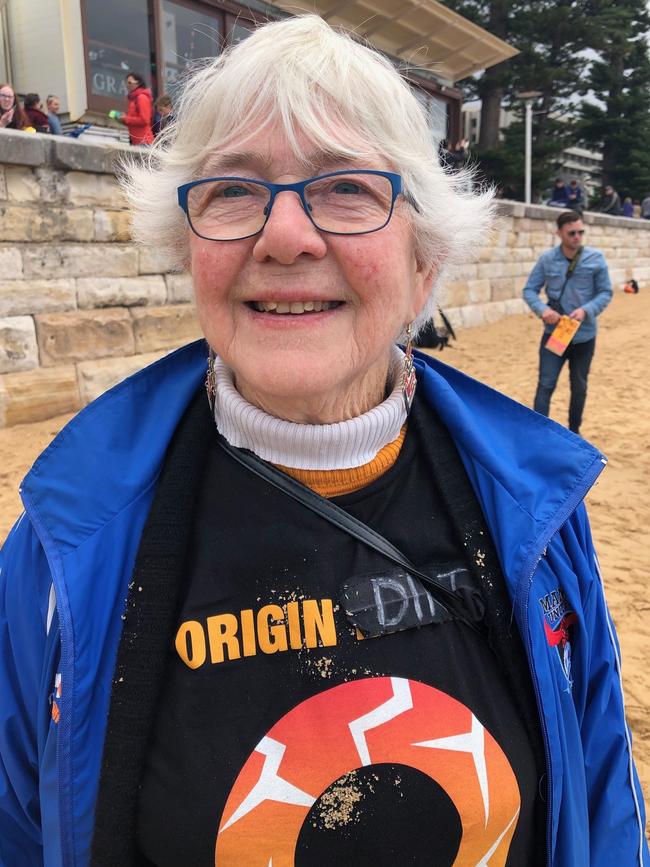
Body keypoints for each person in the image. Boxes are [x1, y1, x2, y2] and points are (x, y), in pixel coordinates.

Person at [0, 16, 647, 867]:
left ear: (424, 259)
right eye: (233, 190)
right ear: (186, 247)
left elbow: (602, 808)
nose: (285, 235)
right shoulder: (64, 545)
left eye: (347, 188)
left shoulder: (538, 513)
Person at [523, 210, 613, 434]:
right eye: (571, 232)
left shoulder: (596, 258)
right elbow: (529, 290)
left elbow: (605, 292)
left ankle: (575, 432)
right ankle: (538, 432)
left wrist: (587, 310)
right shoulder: (547, 259)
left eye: (580, 232)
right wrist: (542, 310)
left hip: (585, 335)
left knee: (579, 386)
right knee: (545, 384)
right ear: (559, 233)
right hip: (555, 334)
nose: (577, 237)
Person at [117, 71, 154, 145]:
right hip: (138, 141)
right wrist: (123, 119)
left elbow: (144, 120)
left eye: (130, 82)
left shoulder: (141, 98)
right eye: (126, 83)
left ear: (138, 83)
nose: (127, 85)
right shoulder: (134, 99)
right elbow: (135, 121)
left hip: (144, 141)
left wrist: (126, 118)